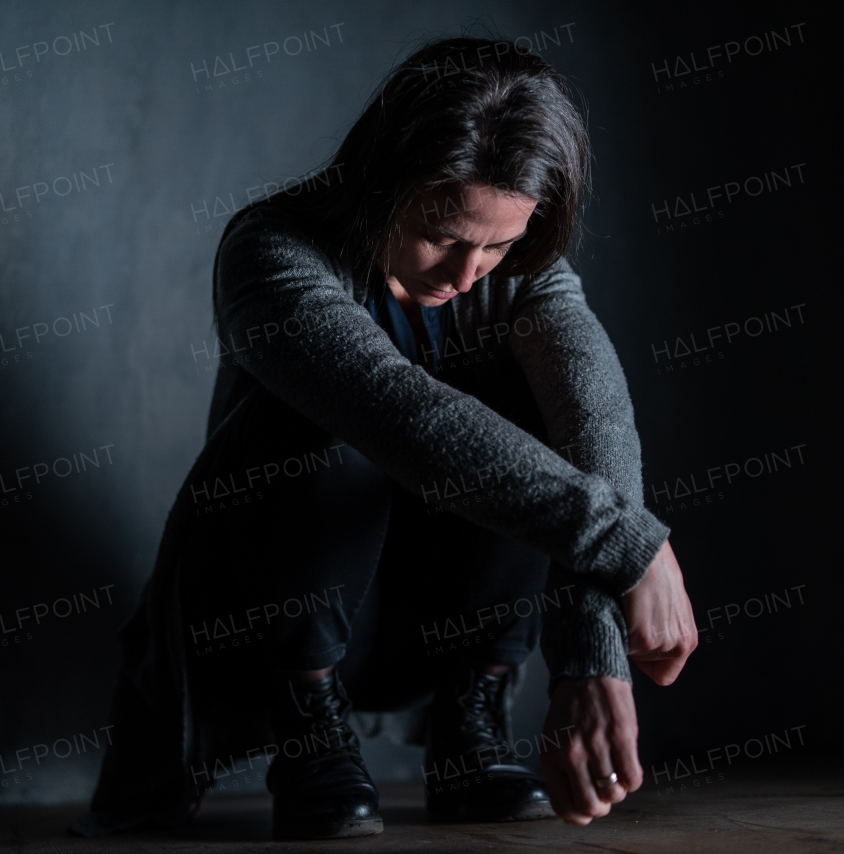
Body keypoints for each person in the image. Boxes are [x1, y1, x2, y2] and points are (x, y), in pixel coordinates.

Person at [70, 35, 698, 841]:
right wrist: (634, 546)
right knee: (338, 406)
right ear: (383, 182)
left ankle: (469, 717)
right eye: (443, 233)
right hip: (277, 614)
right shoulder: (272, 251)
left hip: (431, 617)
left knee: (529, 406)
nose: (469, 273)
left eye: (500, 244)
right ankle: (309, 727)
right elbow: (409, 419)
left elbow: (594, 417)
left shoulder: (519, 271)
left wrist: (591, 653)